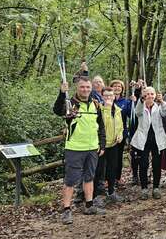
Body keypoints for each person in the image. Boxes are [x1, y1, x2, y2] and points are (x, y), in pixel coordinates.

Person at [53, 76, 106, 225]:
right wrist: (61, 93)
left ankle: (89, 205)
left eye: (88, 87)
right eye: (82, 87)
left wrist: (102, 144)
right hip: (74, 148)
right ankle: (66, 210)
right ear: (77, 88)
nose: (85, 90)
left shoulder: (96, 104)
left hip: (92, 148)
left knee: (89, 178)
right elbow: (57, 110)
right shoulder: (70, 104)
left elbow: (100, 126)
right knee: (70, 180)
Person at [130, 86, 166, 200]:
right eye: (147, 94)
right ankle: (144, 188)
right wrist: (141, 100)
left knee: (157, 164)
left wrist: (162, 101)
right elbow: (137, 112)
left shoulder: (158, 107)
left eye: (152, 94)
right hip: (143, 140)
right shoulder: (141, 106)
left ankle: (156, 188)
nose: (150, 96)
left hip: (157, 139)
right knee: (143, 164)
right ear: (144, 95)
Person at [101, 87, 124, 203]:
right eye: (106, 96)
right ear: (102, 97)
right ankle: (95, 196)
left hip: (114, 144)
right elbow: (104, 124)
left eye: (111, 95)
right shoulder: (99, 109)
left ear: (114, 96)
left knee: (112, 169)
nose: (108, 98)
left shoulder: (118, 110)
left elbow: (120, 126)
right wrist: (107, 108)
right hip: (102, 145)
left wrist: (120, 135)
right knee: (99, 171)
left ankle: (111, 192)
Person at [109, 79, 131, 186]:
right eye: (115, 86)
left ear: (122, 89)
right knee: (108, 158)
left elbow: (131, 115)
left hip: (121, 134)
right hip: (108, 133)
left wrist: (134, 101)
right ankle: (108, 178)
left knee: (118, 157)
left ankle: (117, 178)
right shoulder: (107, 100)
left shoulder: (125, 102)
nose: (117, 88)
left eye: (119, 86)